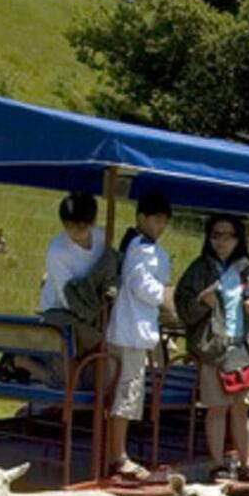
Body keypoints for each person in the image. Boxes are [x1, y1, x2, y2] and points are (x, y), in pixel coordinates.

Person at [174, 213, 249, 483]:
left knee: (242, 409)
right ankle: (217, 464)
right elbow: (183, 309)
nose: (221, 241)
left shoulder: (248, 269)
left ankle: (246, 463)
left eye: (227, 235)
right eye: (215, 235)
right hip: (213, 350)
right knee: (216, 408)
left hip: (243, 348)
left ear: (238, 239)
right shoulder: (199, 269)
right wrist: (201, 303)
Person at [103, 190, 173, 481]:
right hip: (132, 333)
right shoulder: (141, 249)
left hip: (128, 330)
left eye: (163, 223)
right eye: (156, 221)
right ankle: (118, 456)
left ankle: (114, 451)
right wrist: (166, 291)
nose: (160, 228)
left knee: (120, 393)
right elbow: (142, 285)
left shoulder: (135, 245)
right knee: (127, 396)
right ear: (142, 218)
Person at [20, 191, 114, 385]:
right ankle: (22, 362)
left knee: (95, 380)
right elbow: (65, 298)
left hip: (92, 315)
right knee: (68, 382)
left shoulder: (103, 238)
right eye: (70, 227)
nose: (76, 233)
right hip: (62, 316)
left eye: (82, 226)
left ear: (92, 222)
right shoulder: (57, 252)